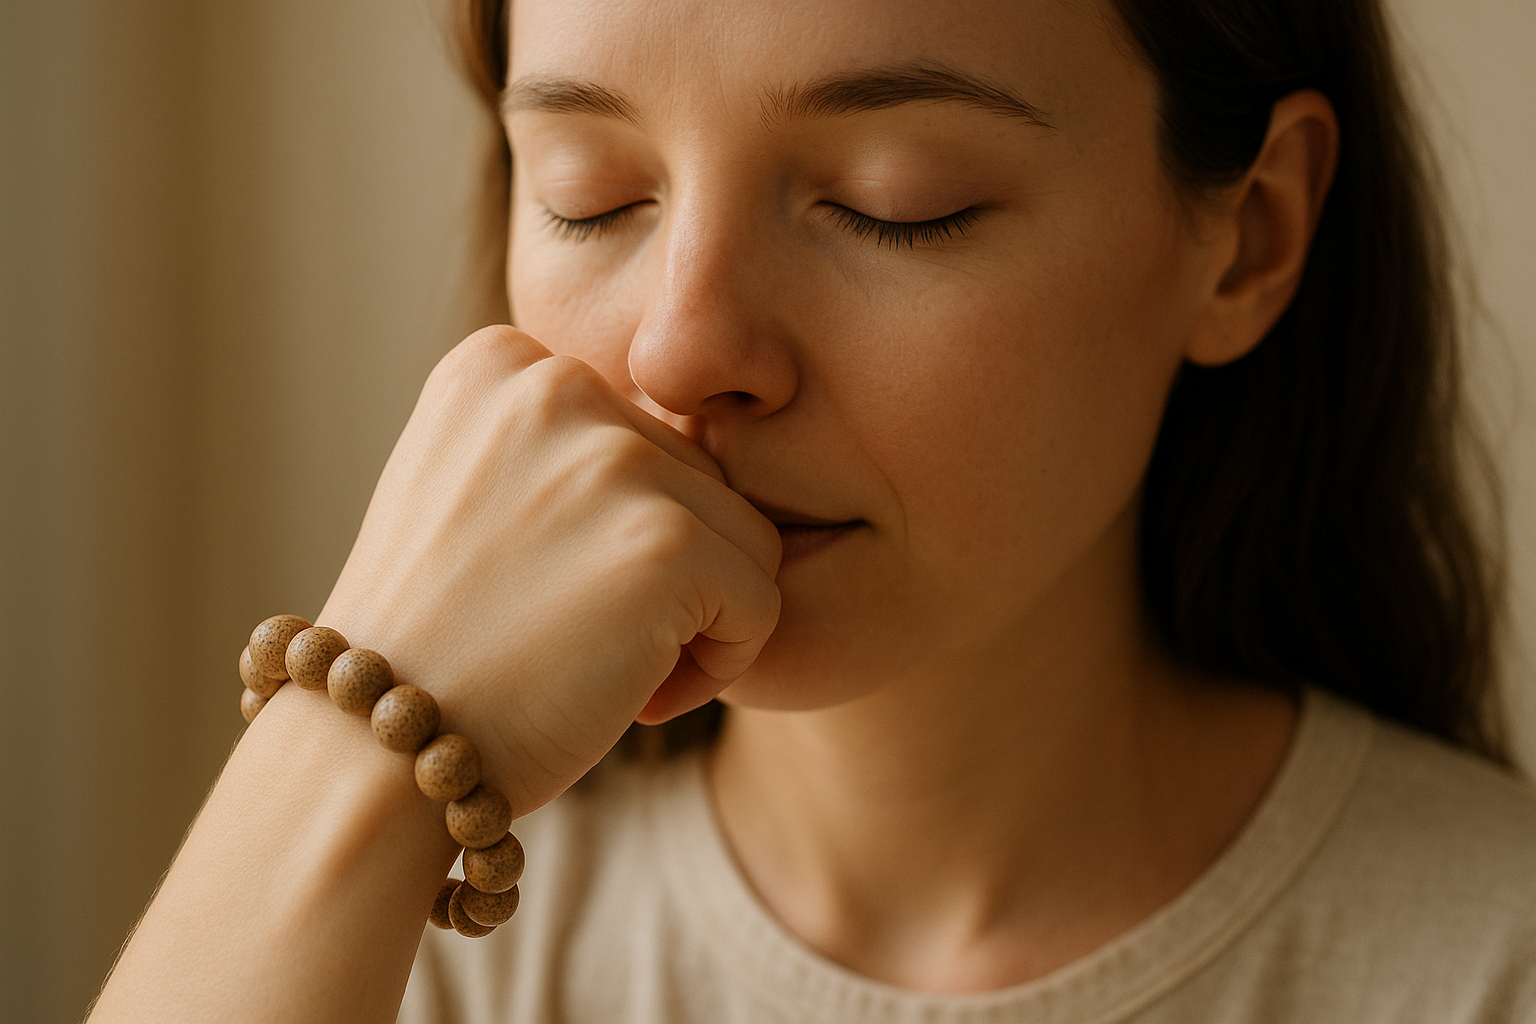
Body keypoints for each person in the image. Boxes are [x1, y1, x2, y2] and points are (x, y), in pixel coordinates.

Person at [88, 0, 1536, 1021]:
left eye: (896, 203)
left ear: (1251, 236)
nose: (682, 348)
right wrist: (362, 739)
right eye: (594, 198)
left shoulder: (1490, 960)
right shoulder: (394, 952)